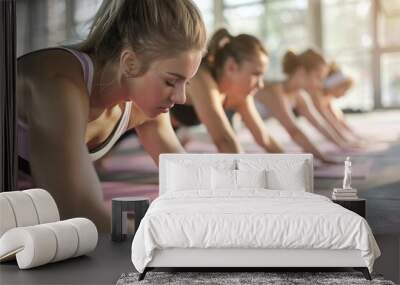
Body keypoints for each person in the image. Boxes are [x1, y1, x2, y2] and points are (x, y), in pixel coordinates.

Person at [16, 0, 207, 231]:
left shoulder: (142, 105)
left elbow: (190, 187)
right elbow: (77, 213)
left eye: (186, 82)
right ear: (130, 63)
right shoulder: (58, 84)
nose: (182, 98)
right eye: (171, 81)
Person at [171, 28, 283, 153]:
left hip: (173, 134)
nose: (261, 84)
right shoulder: (202, 78)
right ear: (231, 67)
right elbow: (223, 140)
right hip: (151, 128)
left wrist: (291, 166)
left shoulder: (241, 95)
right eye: (256, 74)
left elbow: (264, 138)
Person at [254, 49, 351, 163]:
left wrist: (343, 144)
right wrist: (322, 158)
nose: (320, 85)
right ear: (301, 72)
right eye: (318, 77)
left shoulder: (300, 96)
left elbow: (320, 124)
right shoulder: (276, 92)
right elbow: (294, 131)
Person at [308, 62, 365, 147]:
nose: (344, 94)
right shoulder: (316, 94)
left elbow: (338, 119)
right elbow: (327, 120)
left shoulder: (328, 97)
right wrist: (342, 142)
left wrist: (354, 136)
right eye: (344, 89)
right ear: (334, 85)